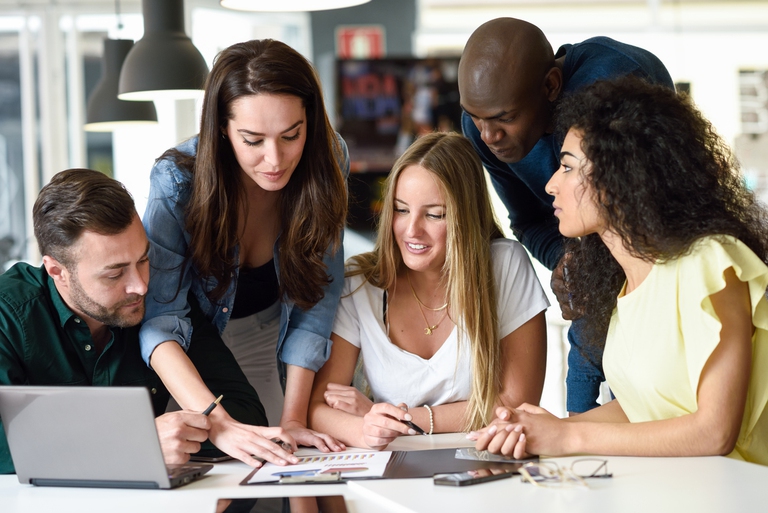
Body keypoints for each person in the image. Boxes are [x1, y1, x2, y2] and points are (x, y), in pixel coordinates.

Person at [471, 76, 768, 465]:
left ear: (618, 177)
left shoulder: (710, 262)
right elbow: (641, 409)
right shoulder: (625, 287)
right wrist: (541, 429)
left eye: (566, 167)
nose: (549, 185)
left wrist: (569, 434)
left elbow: (715, 431)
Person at [140, 39, 349, 466]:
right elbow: (160, 320)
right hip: (190, 345)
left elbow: (317, 295)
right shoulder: (175, 182)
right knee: (204, 462)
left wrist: (294, 417)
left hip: (270, 333)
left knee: (276, 456)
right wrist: (214, 419)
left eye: (291, 135)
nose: (275, 159)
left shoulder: (328, 160)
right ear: (220, 127)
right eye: (253, 140)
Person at [457, 17, 675, 414]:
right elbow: (527, 222)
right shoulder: (483, 126)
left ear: (551, 86)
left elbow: (637, 228)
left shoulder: (612, 87)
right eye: (474, 117)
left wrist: (573, 424)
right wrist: (566, 261)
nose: (488, 136)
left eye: (504, 118)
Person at [0, 169, 278, 474]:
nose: (141, 286)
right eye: (114, 274)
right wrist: (136, 443)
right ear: (57, 272)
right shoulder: (8, 315)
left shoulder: (161, 299)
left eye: (144, 260)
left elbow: (246, 416)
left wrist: (181, 433)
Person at [307, 132, 549, 450]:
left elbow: (515, 406)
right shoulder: (360, 283)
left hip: (483, 469)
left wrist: (403, 420)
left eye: (434, 214)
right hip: (392, 470)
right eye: (401, 209)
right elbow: (317, 410)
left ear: (467, 218)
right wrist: (367, 428)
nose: (411, 230)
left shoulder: (504, 265)